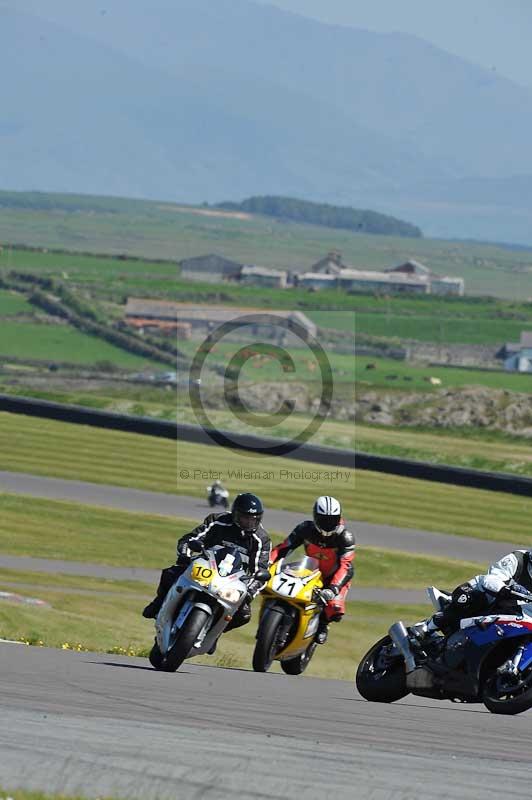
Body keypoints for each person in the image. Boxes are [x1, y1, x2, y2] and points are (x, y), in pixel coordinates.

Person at [142, 492, 271, 635]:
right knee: (171, 573)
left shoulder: (262, 539)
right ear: (235, 514)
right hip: (206, 566)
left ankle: (214, 633)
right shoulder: (217, 520)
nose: (249, 523)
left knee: (243, 615)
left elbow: (261, 570)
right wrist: (184, 556)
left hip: (233, 580)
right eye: (244, 518)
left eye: (253, 519)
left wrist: (249, 593)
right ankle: (158, 604)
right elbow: (189, 539)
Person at [269, 495, 355, 645]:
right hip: (308, 569)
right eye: (324, 519)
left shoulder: (345, 537)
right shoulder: (305, 529)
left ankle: (323, 624)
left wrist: (333, 588)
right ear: (315, 517)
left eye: (332, 519)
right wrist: (267, 562)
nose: (328, 524)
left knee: (335, 608)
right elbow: (283, 548)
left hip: (334, 578)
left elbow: (345, 566)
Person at [413, 548, 532, 640]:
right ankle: (427, 627)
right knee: (476, 599)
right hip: (479, 593)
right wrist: (506, 589)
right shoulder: (518, 559)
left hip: (510, 611)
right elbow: (491, 579)